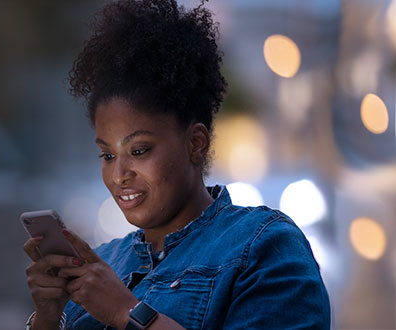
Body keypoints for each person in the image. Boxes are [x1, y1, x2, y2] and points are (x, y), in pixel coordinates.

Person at [23, 0, 331, 329]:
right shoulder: (104, 263)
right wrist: (48, 318)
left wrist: (126, 311)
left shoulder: (264, 246)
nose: (119, 175)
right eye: (108, 155)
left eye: (139, 150)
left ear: (195, 143)